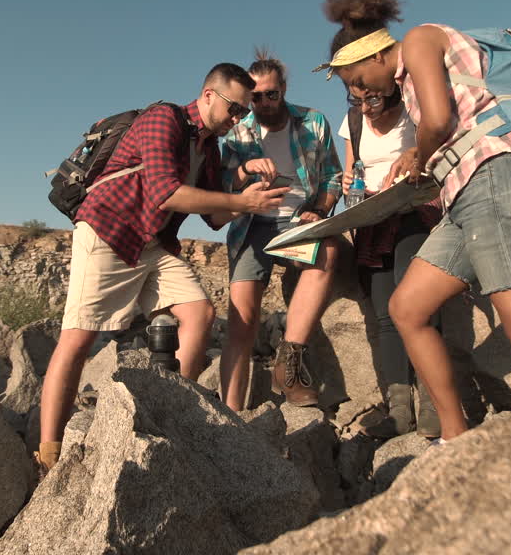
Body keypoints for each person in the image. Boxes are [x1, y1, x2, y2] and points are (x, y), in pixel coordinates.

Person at [314, 0, 511, 441]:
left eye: (357, 80)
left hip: (500, 175)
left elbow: (437, 120)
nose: (358, 94)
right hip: (466, 196)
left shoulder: (418, 40)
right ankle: (454, 439)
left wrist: (418, 154)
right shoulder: (407, 75)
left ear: (377, 54)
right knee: (407, 308)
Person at [35, 63, 289, 472]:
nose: (238, 119)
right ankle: (49, 452)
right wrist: (243, 203)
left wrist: (247, 189)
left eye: (243, 113)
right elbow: (166, 194)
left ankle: (177, 415)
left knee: (200, 313)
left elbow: (214, 217)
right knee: (78, 340)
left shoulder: (208, 147)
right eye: (234, 109)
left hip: (153, 244)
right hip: (109, 232)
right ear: (208, 95)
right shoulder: (163, 119)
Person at [219, 50, 343, 410]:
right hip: (251, 225)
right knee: (242, 322)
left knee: (329, 250)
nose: (263, 103)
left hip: (298, 220)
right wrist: (244, 172)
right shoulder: (238, 133)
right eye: (255, 97)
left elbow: (333, 174)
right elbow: (223, 189)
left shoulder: (313, 122)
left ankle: (288, 364)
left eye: (271, 94)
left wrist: (320, 209)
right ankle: (230, 415)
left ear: (284, 90)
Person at [338, 83, 444, 437]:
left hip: (415, 210)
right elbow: (352, 171)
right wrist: (348, 181)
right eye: (356, 99)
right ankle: (400, 408)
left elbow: (441, 149)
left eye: (372, 98)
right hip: (372, 219)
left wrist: (415, 155)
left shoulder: (416, 111)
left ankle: (434, 402)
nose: (365, 107)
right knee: (384, 314)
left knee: (418, 302)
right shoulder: (352, 121)